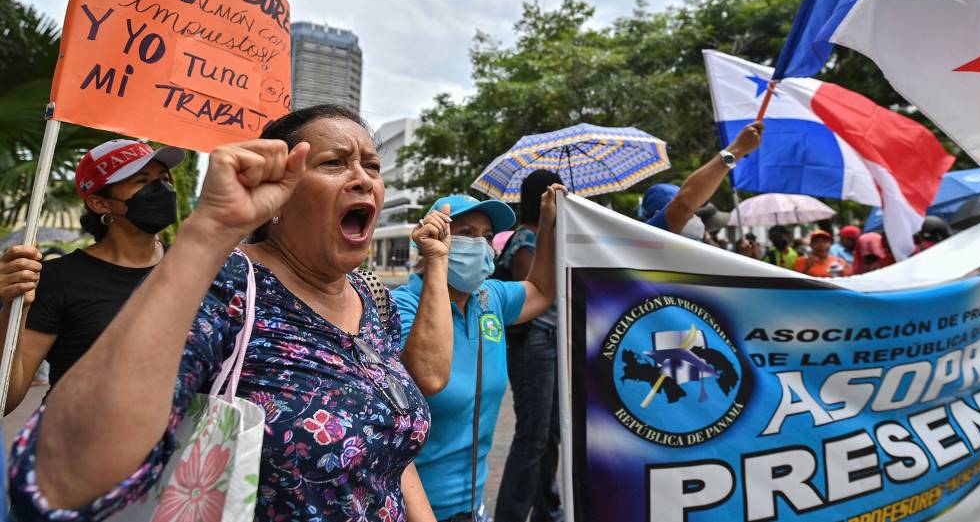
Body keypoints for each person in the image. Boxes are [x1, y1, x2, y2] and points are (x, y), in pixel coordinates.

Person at [6, 105, 448, 521]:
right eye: (334, 163)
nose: (362, 179)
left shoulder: (374, 299)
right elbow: (64, 473)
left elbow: (388, 441)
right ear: (277, 195)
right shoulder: (224, 283)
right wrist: (208, 232)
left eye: (371, 165)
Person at [393, 187, 563, 522]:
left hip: (473, 508)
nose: (480, 244)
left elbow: (542, 290)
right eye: (467, 233)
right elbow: (426, 376)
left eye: (487, 235)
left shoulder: (490, 299)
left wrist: (548, 224)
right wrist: (436, 264)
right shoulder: (402, 307)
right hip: (414, 509)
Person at [0, 139, 185, 413]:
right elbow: (6, 398)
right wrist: (14, 308)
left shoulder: (189, 267)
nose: (161, 190)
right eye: (142, 181)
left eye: (162, 179)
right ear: (100, 203)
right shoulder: (58, 279)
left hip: (176, 448)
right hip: (79, 444)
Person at [495, 170, 564, 522]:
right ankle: (512, 514)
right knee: (533, 437)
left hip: (552, 342)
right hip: (533, 342)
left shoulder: (550, 236)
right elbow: (529, 289)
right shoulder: (525, 238)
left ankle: (547, 511)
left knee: (552, 434)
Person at [640, 122, 763, 236]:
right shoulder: (652, 234)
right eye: (690, 213)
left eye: (694, 212)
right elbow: (684, 203)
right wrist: (736, 150)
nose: (695, 217)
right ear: (658, 215)